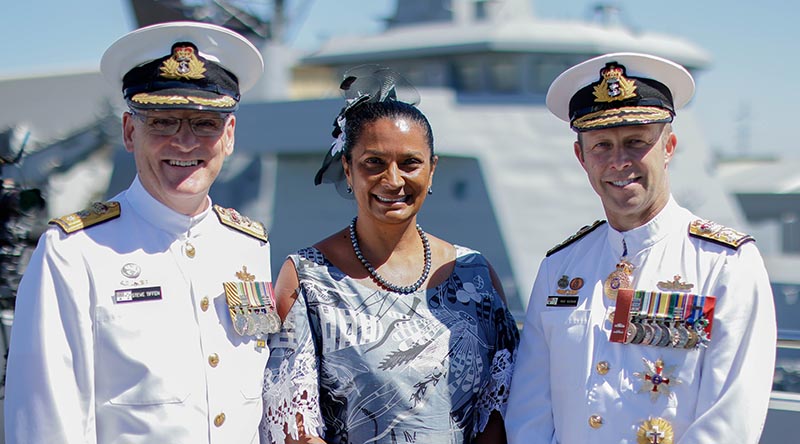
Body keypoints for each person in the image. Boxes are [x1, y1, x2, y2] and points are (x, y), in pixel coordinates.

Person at [5, 21, 276, 443]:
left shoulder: (248, 246)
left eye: (205, 124)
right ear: (131, 133)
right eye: (163, 122)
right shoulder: (75, 253)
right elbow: (46, 425)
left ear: (229, 137)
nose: (185, 143)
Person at [505, 52, 777, 443]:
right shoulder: (560, 269)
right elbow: (530, 411)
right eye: (602, 146)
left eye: (636, 142)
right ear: (581, 157)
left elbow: (729, 422)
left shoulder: (725, 264)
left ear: (669, 147)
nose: (619, 162)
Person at [259, 66, 519, 444]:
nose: (393, 180)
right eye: (373, 163)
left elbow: (499, 416)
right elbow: (294, 428)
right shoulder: (307, 278)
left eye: (410, 163)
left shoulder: (475, 274)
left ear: (432, 170)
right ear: (348, 170)